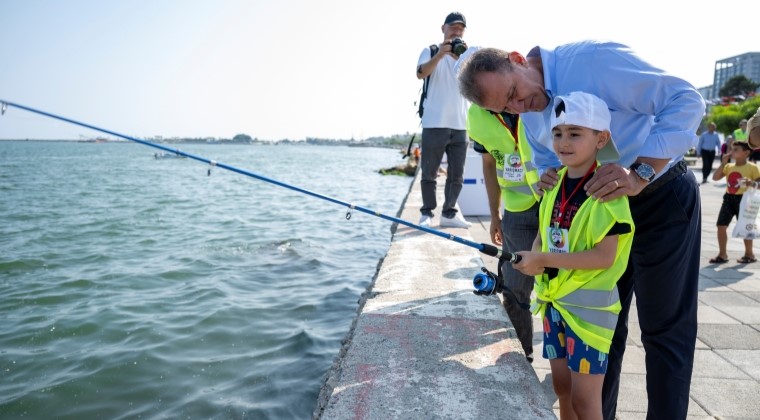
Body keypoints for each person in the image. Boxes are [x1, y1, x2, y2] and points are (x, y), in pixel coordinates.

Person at [458, 42, 705, 419]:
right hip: (594, 214)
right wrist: (546, 177)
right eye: (506, 109)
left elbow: (686, 102)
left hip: (659, 194)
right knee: (603, 332)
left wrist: (638, 172)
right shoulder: (525, 109)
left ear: (518, 60)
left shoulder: (593, 61)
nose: (520, 108)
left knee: (665, 330)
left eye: (514, 94)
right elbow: (540, 155)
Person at [514, 92, 633, 420]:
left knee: (585, 400)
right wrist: (533, 258)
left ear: (601, 139)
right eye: (558, 133)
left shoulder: (609, 190)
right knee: (562, 387)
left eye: (575, 133)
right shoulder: (551, 184)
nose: (564, 142)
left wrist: (545, 261)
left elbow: (604, 257)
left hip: (590, 315)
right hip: (554, 306)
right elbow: (542, 237)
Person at [467, 103, 541, 362]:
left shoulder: (533, 94)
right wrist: (494, 214)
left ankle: (567, 364)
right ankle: (523, 358)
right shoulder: (476, 115)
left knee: (562, 289)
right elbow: (488, 164)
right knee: (513, 289)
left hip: (559, 204)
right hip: (517, 211)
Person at [415, 12, 471, 228]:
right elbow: (420, 73)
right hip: (434, 123)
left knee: (457, 175)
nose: (456, 31)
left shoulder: (465, 55)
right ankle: (426, 213)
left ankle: (449, 213)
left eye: (460, 29)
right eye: (453, 27)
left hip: (460, 124)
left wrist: (462, 59)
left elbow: (476, 81)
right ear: (443, 28)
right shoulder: (429, 51)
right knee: (429, 172)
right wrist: (440, 55)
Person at [709, 139, 760, 264]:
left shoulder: (753, 167)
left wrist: (751, 183)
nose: (732, 152)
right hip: (729, 198)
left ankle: (749, 254)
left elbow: (759, 184)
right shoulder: (729, 166)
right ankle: (722, 254)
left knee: (745, 227)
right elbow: (715, 178)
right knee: (721, 225)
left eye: (736, 149)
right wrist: (723, 163)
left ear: (746, 153)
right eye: (731, 149)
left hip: (745, 199)